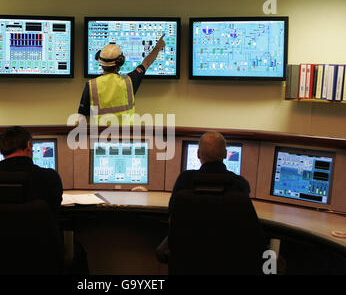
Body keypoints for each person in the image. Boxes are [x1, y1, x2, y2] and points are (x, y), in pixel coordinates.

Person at [156, 131, 251, 262]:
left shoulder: (184, 180)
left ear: (198, 154)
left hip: (188, 254)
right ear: (225, 154)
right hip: (227, 256)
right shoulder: (240, 184)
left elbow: (172, 216)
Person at [0, 126, 63, 234]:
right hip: (39, 248)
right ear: (29, 146)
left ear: (2, 149)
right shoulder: (51, 179)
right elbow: (53, 218)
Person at [77, 35, 166, 125]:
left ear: (100, 63)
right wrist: (158, 47)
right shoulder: (130, 81)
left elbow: (82, 119)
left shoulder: (91, 85)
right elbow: (146, 63)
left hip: (99, 137)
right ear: (120, 63)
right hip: (127, 136)